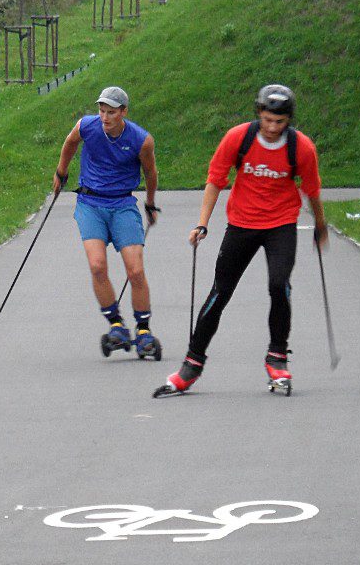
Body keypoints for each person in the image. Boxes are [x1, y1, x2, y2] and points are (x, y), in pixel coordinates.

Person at [153, 84, 328, 397]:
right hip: (242, 223)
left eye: (280, 122)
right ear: (258, 114)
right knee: (220, 292)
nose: (273, 128)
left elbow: (312, 190)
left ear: (289, 119)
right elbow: (215, 181)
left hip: (281, 224)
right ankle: (191, 365)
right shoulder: (238, 138)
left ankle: (277, 358)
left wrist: (321, 225)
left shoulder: (301, 148)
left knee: (279, 285)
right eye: (267, 120)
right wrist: (202, 224)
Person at [53, 86, 162, 359]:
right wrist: (61, 172)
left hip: (123, 204)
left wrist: (149, 203)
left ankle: (144, 331)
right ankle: (116, 325)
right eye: (102, 111)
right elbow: (70, 142)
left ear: (123, 112)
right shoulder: (87, 126)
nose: (104, 117)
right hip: (90, 204)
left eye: (111, 112)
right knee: (97, 265)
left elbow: (150, 172)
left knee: (135, 270)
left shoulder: (141, 140)